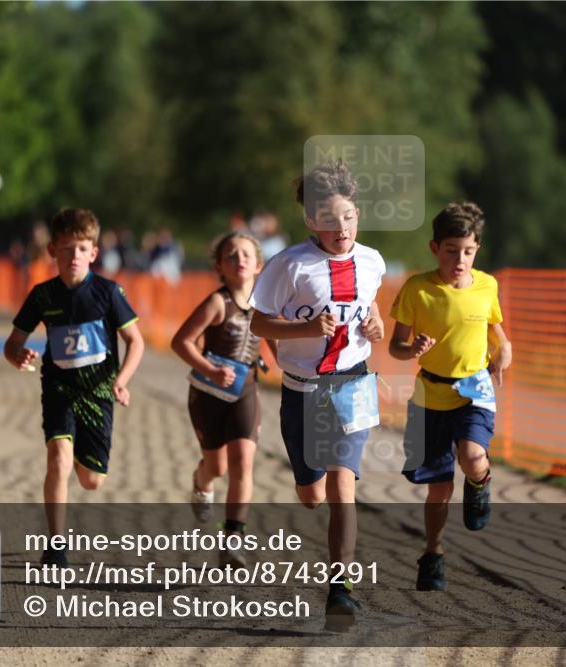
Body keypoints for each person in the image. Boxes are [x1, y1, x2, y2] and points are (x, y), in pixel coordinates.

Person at [249, 159, 385, 631]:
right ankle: (337, 576)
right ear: (310, 221)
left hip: (353, 383)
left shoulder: (372, 261)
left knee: (342, 486)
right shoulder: (288, 265)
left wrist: (376, 326)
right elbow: (258, 322)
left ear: (358, 214)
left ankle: (340, 591)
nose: (340, 228)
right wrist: (306, 327)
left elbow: (374, 313)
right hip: (301, 390)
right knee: (311, 495)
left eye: (347, 216)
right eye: (328, 219)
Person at [3, 207, 145, 567]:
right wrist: (17, 355)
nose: (73, 257)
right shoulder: (42, 296)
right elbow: (12, 343)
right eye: (65, 248)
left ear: (94, 253)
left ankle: (85, 461)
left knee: (92, 480)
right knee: (58, 461)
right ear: (52, 250)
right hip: (59, 389)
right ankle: (55, 546)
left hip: (99, 393)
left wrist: (122, 380)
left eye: (81, 249)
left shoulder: (108, 292)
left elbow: (136, 341)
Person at [387, 201, 512, 592]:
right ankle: (434, 554)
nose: (460, 259)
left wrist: (503, 354)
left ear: (477, 250)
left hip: (474, 387)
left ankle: (480, 482)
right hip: (430, 393)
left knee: (473, 456)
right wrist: (413, 350)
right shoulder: (417, 289)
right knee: (439, 488)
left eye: (468, 251)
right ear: (434, 248)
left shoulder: (486, 286)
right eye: (452, 250)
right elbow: (396, 346)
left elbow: (499, 335)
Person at [172, 231, 271, 569]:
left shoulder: (265, 305)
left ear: (258, 265)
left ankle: (232, 543)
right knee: (218, 466)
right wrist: (210, 369)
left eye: (245, 254)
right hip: (207, 393)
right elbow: (181, 342)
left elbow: (278, 340)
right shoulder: (218, 302)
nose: (239, 259)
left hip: (245, 391)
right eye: (231, 255)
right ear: (220, 267)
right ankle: (201, 482)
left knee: (243, 459)